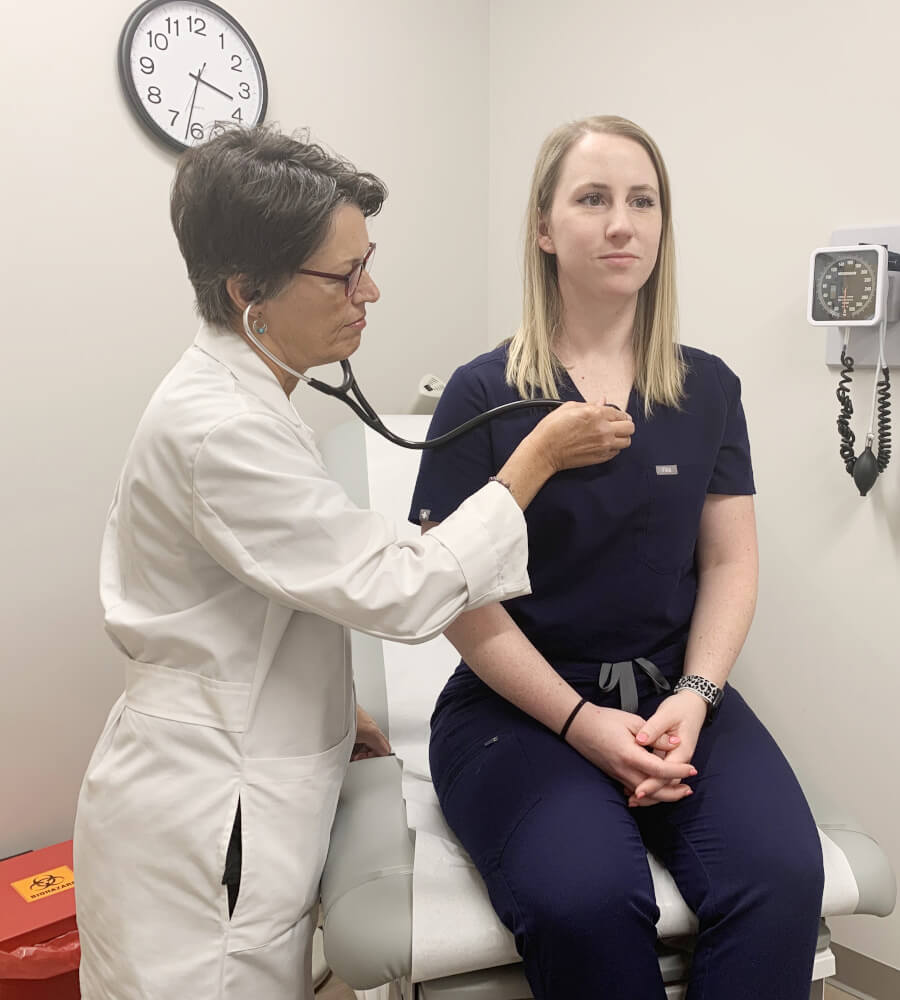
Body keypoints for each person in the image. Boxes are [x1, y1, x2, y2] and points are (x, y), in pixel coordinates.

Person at [72, 125, 644, 1000]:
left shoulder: (249, 401)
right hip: (207, 817)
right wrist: (533, 462)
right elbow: (402, 588)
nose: (369, 291)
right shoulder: (222, 428)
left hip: (247, 770)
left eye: (364, 261)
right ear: (247, 295)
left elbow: (278, 591)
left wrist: (340, 718)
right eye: (344, 276)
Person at [409, 115, 824, 1000]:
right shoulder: (482, 394)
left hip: (678, 696)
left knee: (782, 878)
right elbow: (452, 594)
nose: (622, 223)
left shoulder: (707, 386)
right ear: (544, 227)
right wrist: (577, 723)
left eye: (643, 200)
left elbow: (730, 564)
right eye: (592, 199)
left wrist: (697, 695)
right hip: (517, 711)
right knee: (587, 901)